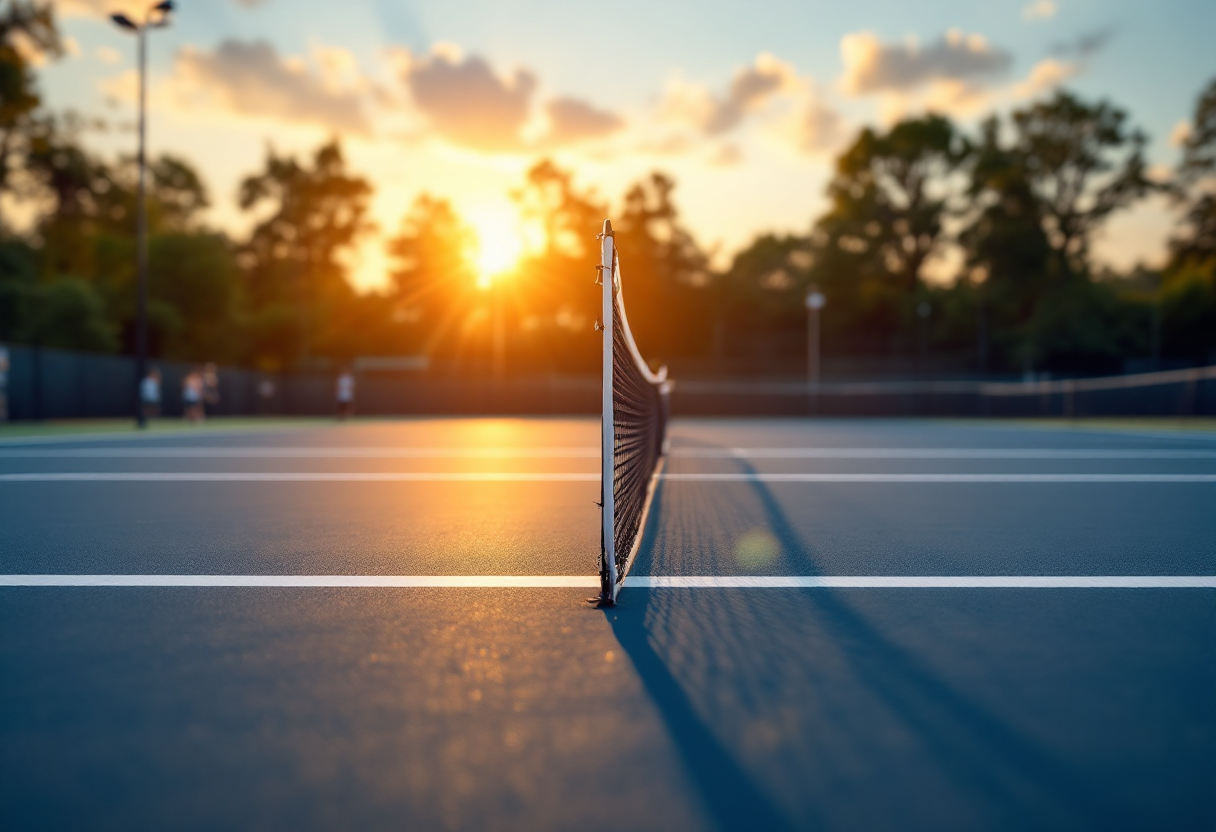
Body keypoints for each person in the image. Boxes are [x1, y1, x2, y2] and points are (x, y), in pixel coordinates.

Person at [0, 343, 9, 423]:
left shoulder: (2, 350)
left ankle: (2, 420)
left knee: (1, 400)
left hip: (0, 382)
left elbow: (5, 365)